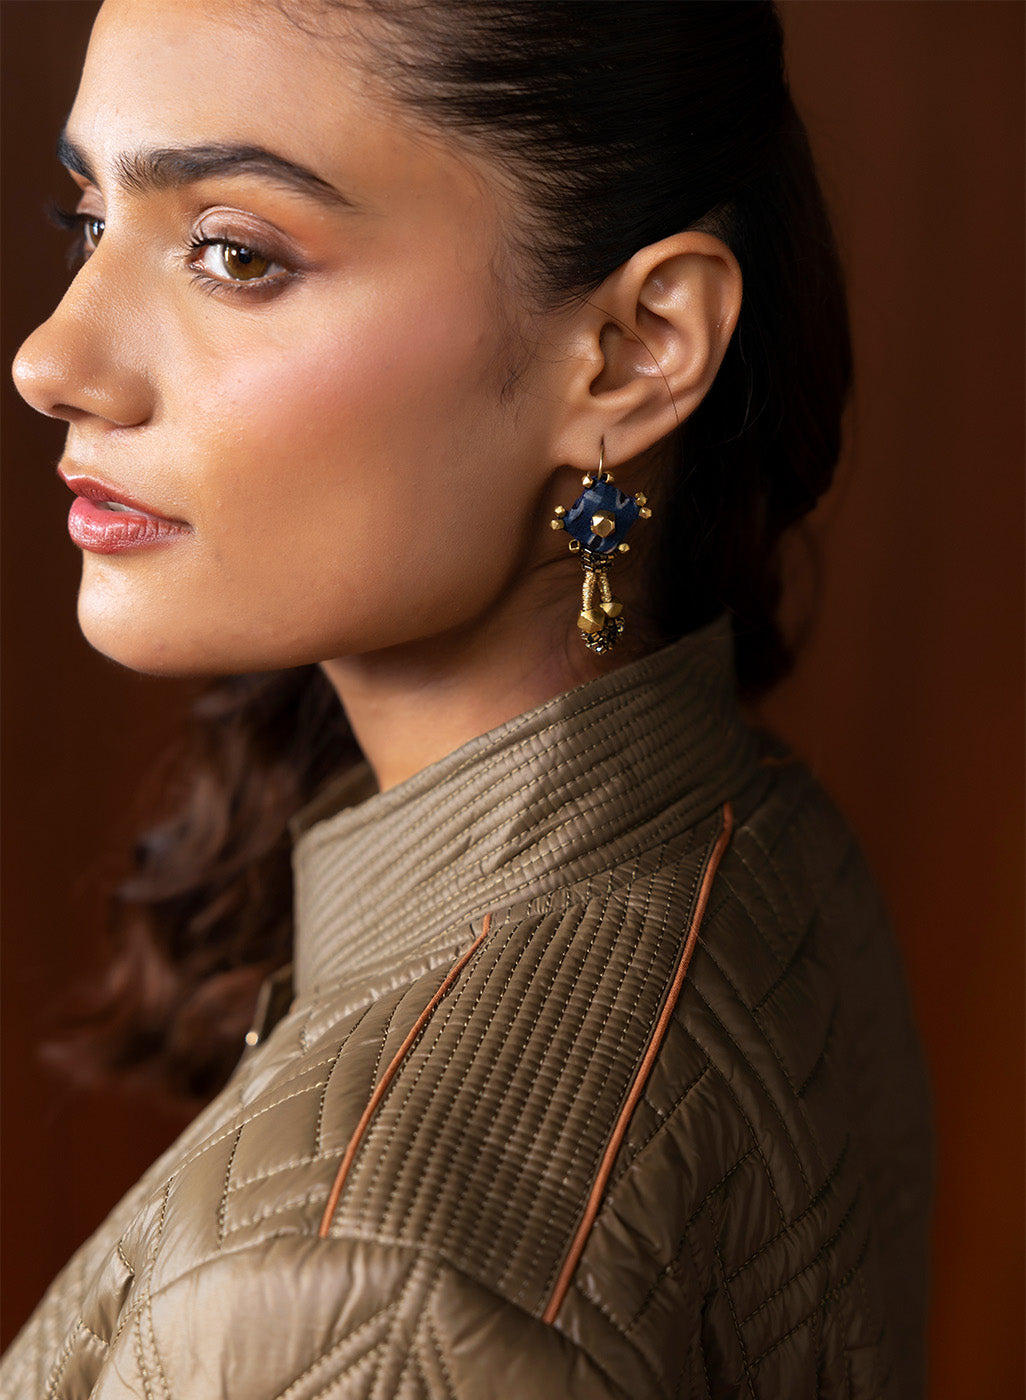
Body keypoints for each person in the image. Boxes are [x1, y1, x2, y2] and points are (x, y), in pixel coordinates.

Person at [3, 1, 932, 1396]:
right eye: (90, 220)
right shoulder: (749, 837)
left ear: (633, 349)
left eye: (234, 252)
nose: (50, 361)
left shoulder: (364, 1299)